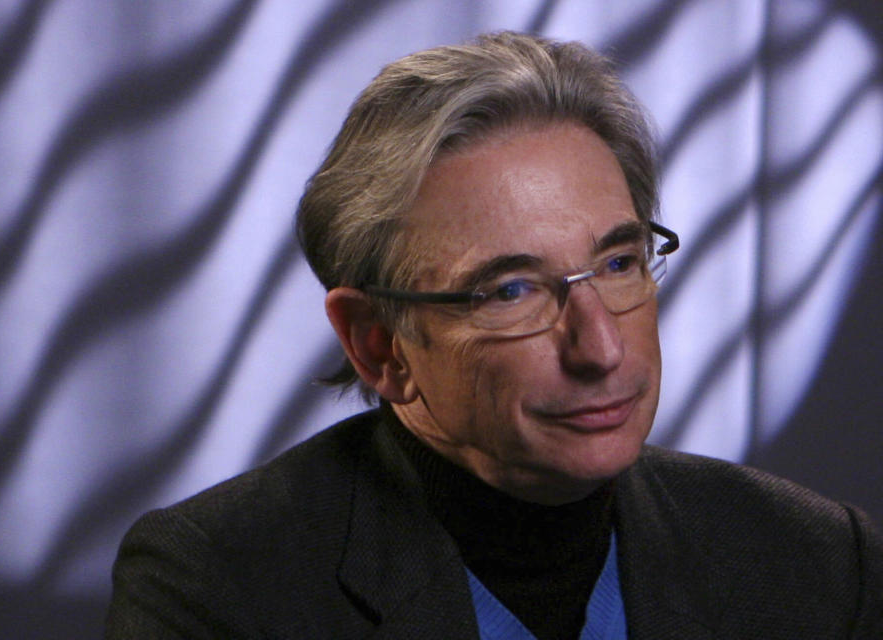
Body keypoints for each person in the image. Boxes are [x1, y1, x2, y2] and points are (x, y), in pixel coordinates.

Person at [105, 32, 882, 638]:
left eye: (617, 263)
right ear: (379, 344)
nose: (601, 349)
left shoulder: (815, 562)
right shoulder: (219, 589)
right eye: (511, 290)